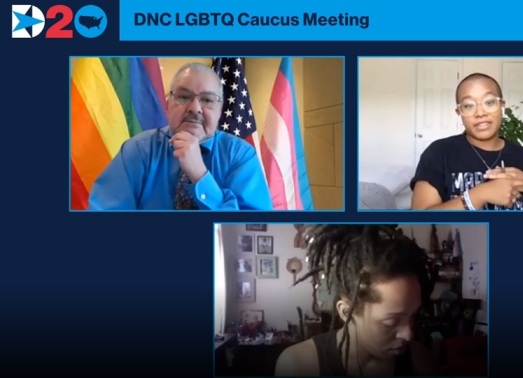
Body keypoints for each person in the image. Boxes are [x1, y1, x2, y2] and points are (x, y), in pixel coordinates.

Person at [87, 62, 272, 210]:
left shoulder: (241, 157)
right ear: (168, 105)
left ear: (220, 110)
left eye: (207, 100)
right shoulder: (136, 151)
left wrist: (200, 176)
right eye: (183, 97)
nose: (195, 108)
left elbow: (250, 232)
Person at [275, 225, 439, 376]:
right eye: (392, 321)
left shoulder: (420, 361)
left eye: (414, 316)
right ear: (347, 312)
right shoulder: (299, 366)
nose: (408, 334)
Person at [411, 72, 523, 210]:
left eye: (489, 102)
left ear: (502, 105)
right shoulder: (439, 153)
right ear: (459, 112)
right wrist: (480, 195)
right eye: (469, 106)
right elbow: (419, 222)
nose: (480, 113)